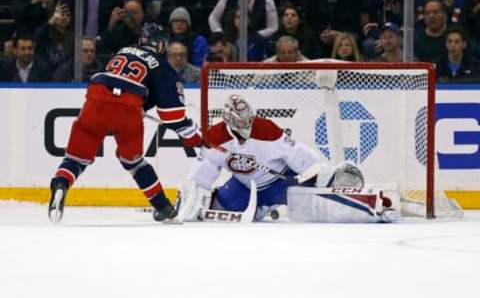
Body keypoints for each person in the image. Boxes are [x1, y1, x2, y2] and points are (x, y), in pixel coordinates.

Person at [48, 23, 202, 223]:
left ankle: (61, 184)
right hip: (128, 108)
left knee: (77, 157)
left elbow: (109, 80)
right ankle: (163, 207)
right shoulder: (162, 64)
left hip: (95, 100)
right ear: (162, 44)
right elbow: (172, 116)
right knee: (133, 162)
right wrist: (195, 138)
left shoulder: (123, 51)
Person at [176, 94, 396, 223]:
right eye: (241, 122)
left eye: (248, 120)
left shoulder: (267, 130)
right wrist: (193, 193)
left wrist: (319, 172)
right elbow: (202, 171)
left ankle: (374, 207)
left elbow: (295, 154)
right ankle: (260, 209)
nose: (247, 125)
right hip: (243, 187)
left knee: (317, 203)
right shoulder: (215, 137)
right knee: (216, 208)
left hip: (280, 182)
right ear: (229, 120)